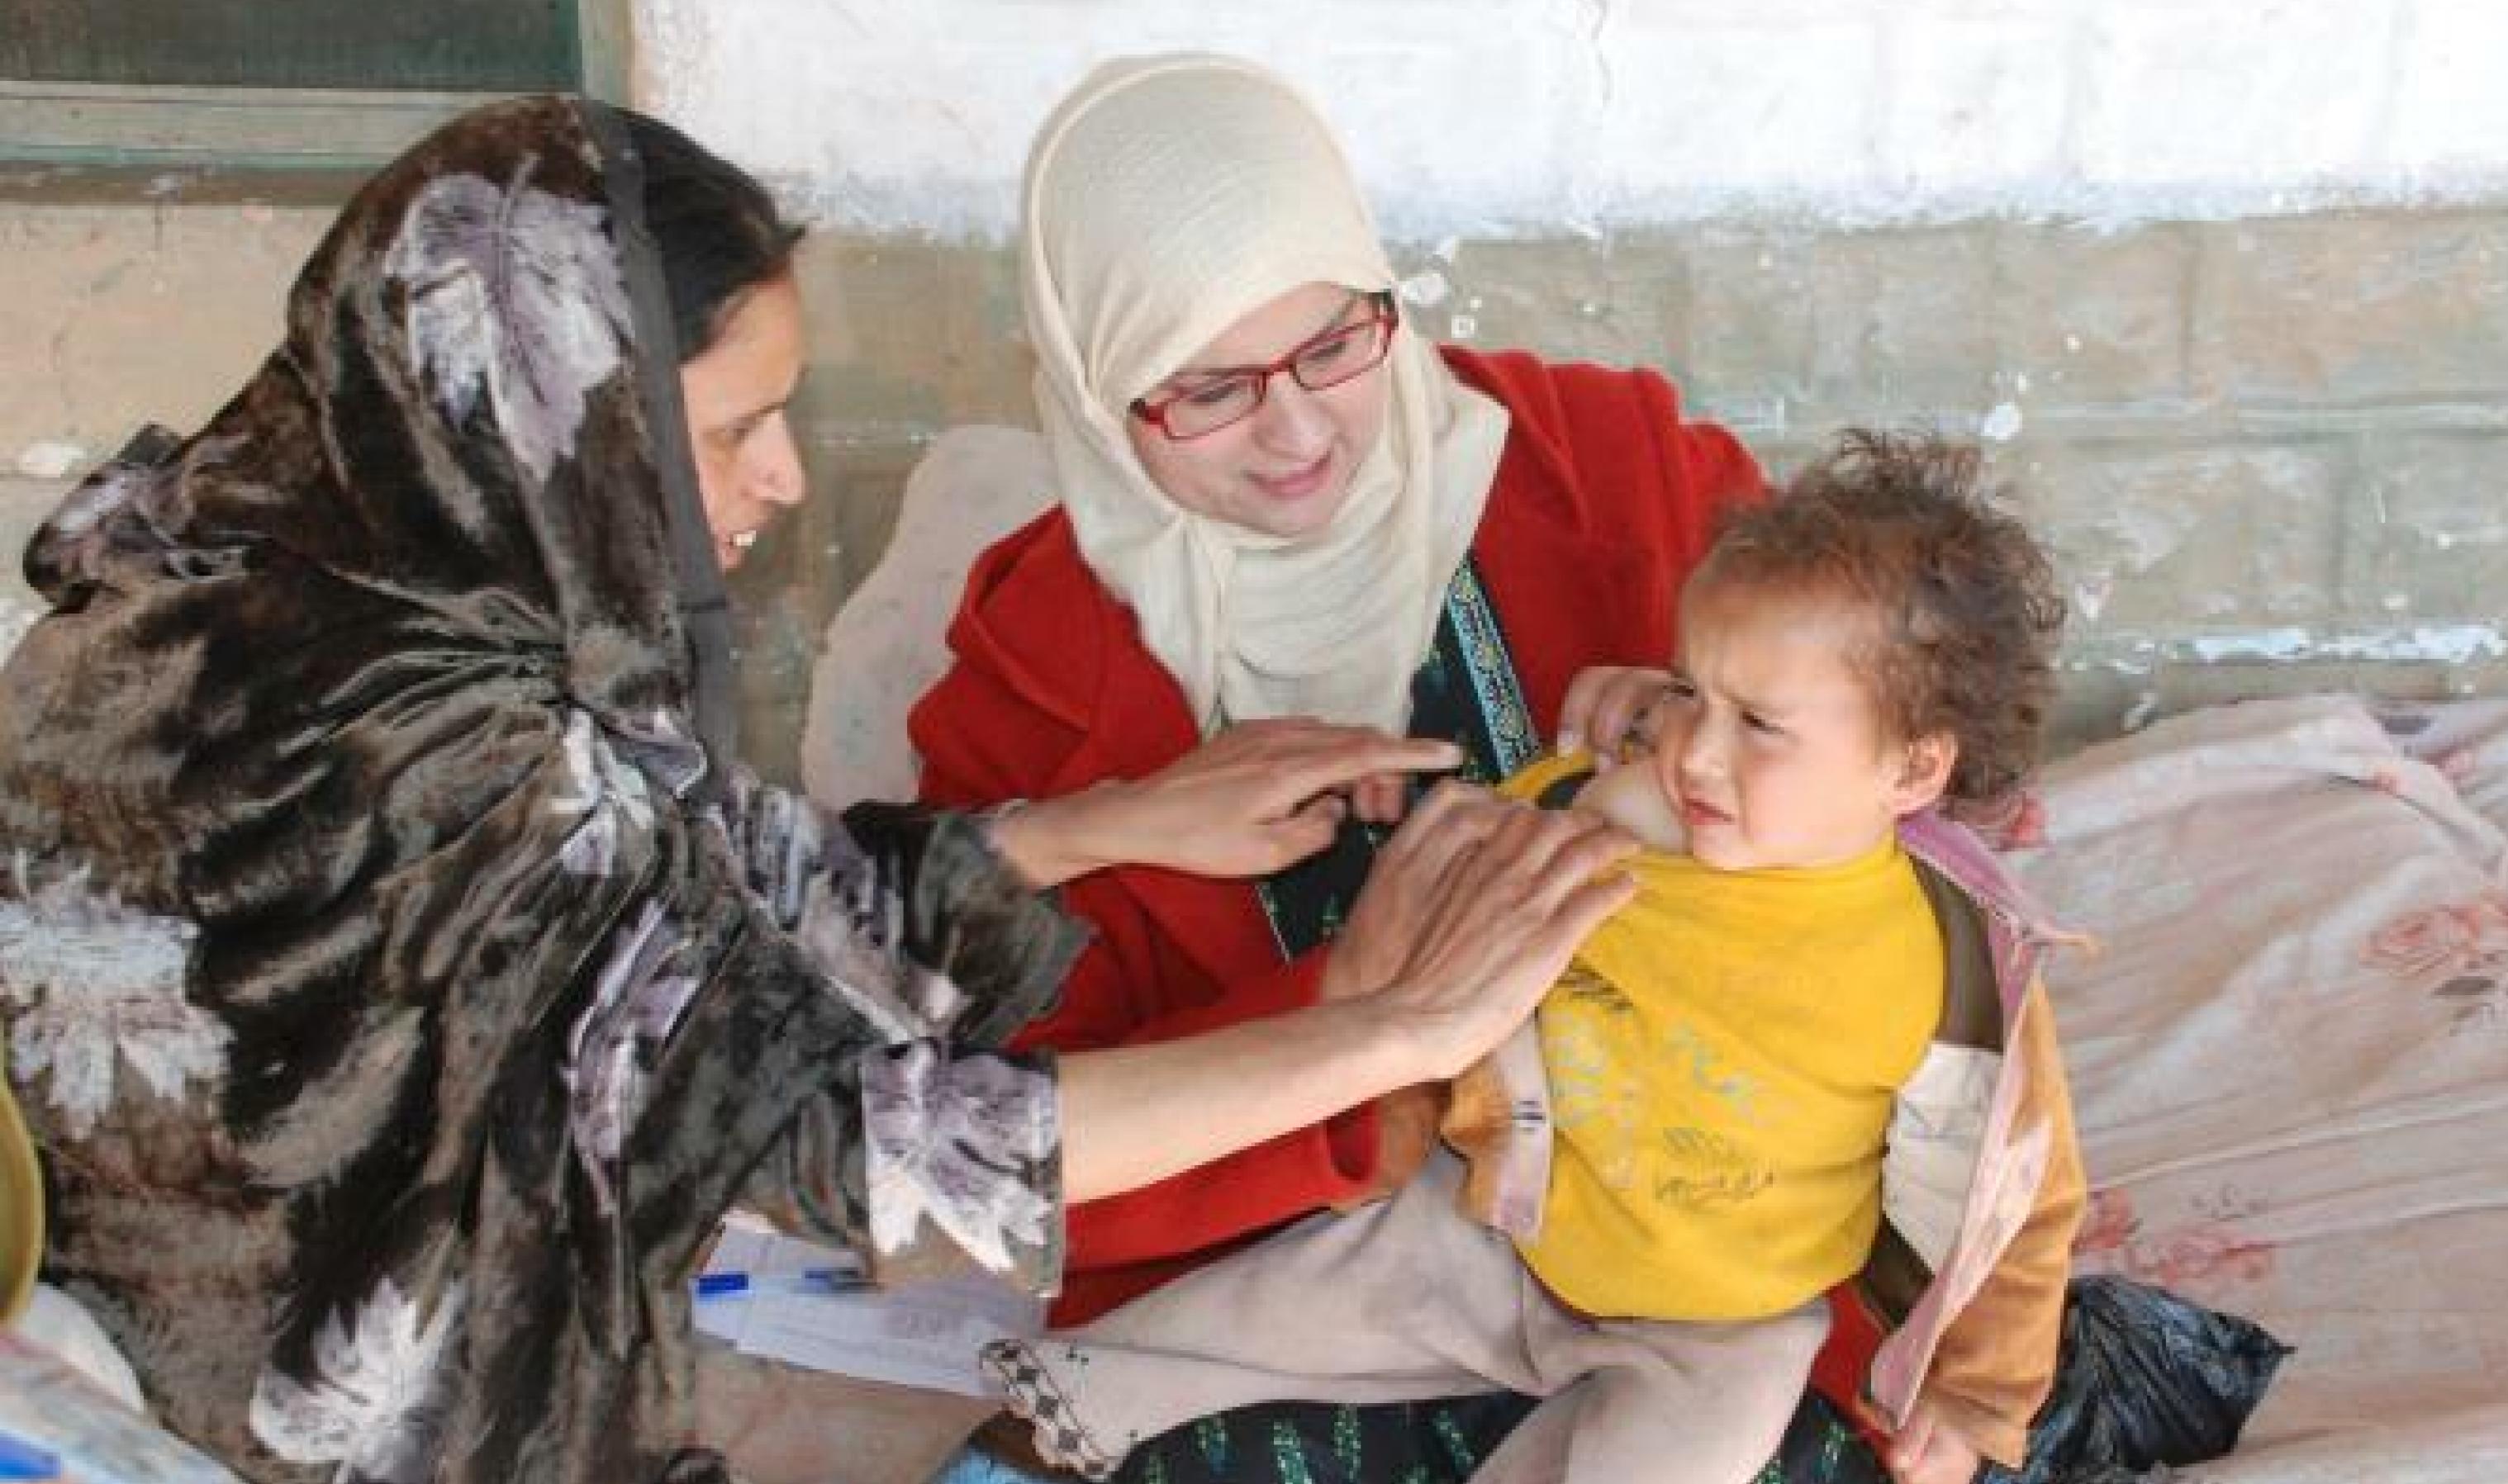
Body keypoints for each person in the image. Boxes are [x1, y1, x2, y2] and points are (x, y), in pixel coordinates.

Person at [0, 97, 1637, 1484]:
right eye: (732, 428)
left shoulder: (308, 548)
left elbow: (683, 897)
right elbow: (844, 1138)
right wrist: (1387, 1031)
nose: (783, 481)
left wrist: (1092, 825)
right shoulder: (388, 738)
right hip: (317, 1403)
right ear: (552, 417)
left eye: (1331, 342)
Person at [904, 51, 1845, 1482]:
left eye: (1337, 344)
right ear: (1098, 392)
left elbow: (1916, 757)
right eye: (1206, 390)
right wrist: (1354, 1012)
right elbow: (1029, 1152)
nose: (1296, 429)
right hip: (1297, 1284)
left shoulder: (1617, 466)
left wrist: (1720, 719)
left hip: (1692, 1228)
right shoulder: (1023, 688)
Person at [974, 433, 2087, 1484]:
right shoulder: (1615, 819)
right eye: (1690, 691)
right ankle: (1014, 1454)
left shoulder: (1945, 969)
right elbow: (1454, 934)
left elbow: (2019, 1198)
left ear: (1912, 767)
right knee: (1227, 1324)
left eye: (1760, 723)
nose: (1694, 746)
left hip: (1722, 1322)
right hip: (1497, 1232)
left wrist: (1978, 1400)